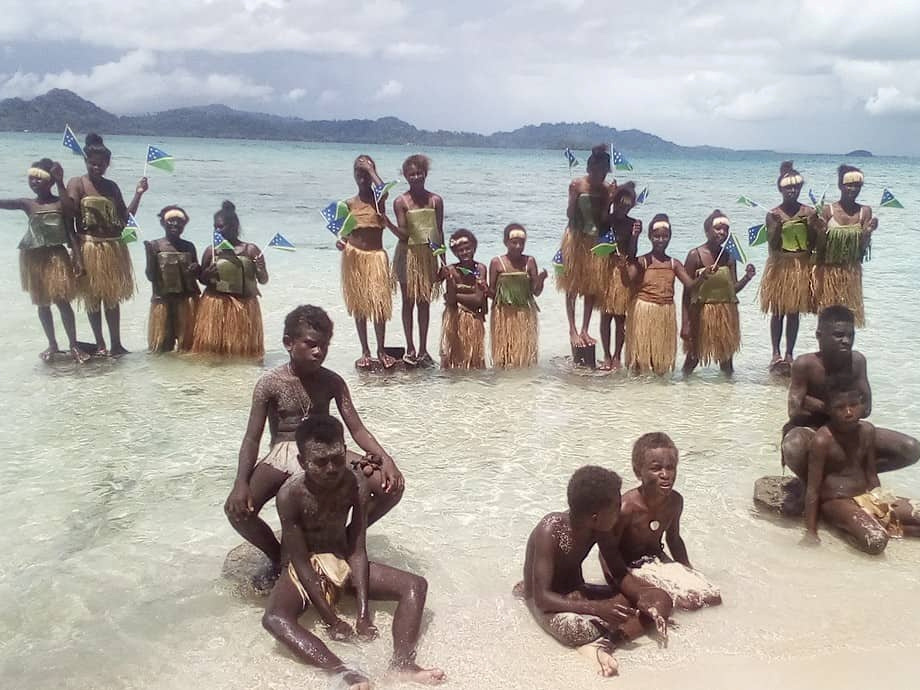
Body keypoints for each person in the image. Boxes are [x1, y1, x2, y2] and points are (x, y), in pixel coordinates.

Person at [225, 305, 404, 585]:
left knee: (390, 487)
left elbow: (356, 427)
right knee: (236, 511)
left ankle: (345, 539)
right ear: (288, 343)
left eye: (324, 346)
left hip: (329, 452)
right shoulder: (269, 384)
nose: (318, 352)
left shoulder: (333, 381)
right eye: (311, 344)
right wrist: (241, 482)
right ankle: (278, 556)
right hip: (285, 451)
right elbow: (251, 438)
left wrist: (386, 459)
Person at [262, 414, 445, 688]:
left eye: (337, 458)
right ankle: (343, 672)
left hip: (342, 558)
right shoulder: (290, 495)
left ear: (345, 451)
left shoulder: (354, 482)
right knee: (275, 619)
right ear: (302, 462)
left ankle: (403, 663)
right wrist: (331, 619)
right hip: (306, 567)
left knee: (415, 586)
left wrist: (362, 614)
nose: (332, 468)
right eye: (320, 462)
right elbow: (299, 561)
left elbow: (357, 548)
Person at [516, 465, 672, 678]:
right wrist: (597, 608)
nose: (621, 511)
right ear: (595, 517)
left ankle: (606, 644)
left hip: (577, 594)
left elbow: (619, 573)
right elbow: (542, 598)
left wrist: (641, 597)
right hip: (547, 601)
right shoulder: (550, 530)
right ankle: (605, 638)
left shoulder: (601, 529)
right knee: (577, 631)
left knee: (661, 599)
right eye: (616, 507)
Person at [781, 305, 920, 477]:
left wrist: (814, 403)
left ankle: (854, 475)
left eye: (850, 335)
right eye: (838, 335)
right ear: (819, 336)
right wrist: (834, 408)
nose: (846, 340)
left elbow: (867, 409)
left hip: (849, 429)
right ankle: (812, 484)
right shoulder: (805, 364)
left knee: (911, 449)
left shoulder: (857, 362)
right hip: (813, 428)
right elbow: (794, 412)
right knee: (794, 445)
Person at [600, 433, 722, 610]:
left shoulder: (675, 502)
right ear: (637, 471)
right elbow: (607, 551)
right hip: (629, 566)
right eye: (656, 468)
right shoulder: (627, 508)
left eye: (670, 467)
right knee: (686, 603)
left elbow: (673, 539)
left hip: (656, 558)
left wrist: (688, 569)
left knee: (712, 597)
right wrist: (620, 585)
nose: (665, 474)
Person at [803, 382, 920, 554]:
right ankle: (854, 526)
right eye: (840, 407)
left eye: (853, 405)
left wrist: (880, 502)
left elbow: (871, 473)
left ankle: (880, 525)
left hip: (866, 496)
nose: (849, 412)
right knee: (876, 541)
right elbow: (813, 489)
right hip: (837, 501)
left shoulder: (867, 430)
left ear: (862, 405)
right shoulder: (823, 441)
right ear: (828, 410)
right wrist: (811, 532)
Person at [66, 133, 148, 355]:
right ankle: (100, 344)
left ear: (107, 164)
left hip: (113, 247)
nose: (96, 168)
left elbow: (124, 220)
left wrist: (138, 194)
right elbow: (69, 220)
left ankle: (116, 344)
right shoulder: (77, 183)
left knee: (112, 298)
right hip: (89, 246)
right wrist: (76, 255)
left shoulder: (112, 187)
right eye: (92, 163)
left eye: (101, 165)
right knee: (93, 297)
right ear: (86, 161)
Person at [1, 158, 87, 362]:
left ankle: (73, 345)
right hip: (33, 257)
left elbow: (71, 228)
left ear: (49, 181)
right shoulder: (27, 203)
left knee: (62, 301)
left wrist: (78, 259)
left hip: (57, 256)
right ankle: (52, 344)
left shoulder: (60, 203)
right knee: (42, 302)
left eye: (39, 179)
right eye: (31, 179)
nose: (34, 182)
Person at [337, 155, 399, 369]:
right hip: (354, 257)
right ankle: (365, 350)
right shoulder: (347, 204)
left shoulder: (378, 200)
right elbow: (343, 234)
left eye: (365, 173)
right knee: (360, 306)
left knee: (379, 306)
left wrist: (371, 170)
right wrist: (341, 243)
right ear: (353, 175)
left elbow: (384, 189)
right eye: (358, 172)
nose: (362, 176)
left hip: (376, 257)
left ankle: (381, 349)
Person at [624, 214, 706, 376]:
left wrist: (703, 276)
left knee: (660, 361)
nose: (661, 240)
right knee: (640, 358)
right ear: (650, 237)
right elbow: (628, 279)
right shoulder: (643, 261)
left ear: (670, 238)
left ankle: (660, 398)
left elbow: (689, 285)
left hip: (665, 312)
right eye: (657, 236)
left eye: (664, 236)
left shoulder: (674, 263)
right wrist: (633, 239)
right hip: (644, 311)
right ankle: (633, 395)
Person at [681, 211, 756, 375]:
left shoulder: (729, 256)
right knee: (693, 357)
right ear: (707, 230)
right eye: (717, 228)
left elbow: (732, 289)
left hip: (725, 313)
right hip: (701, 312)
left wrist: (747, 278)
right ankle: (683, 393)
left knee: (726, 362)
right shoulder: (695, 255)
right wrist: (685, 323)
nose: (722, 232)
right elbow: (687, 292)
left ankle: (727, 396)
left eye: (725, 229)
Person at [760, 162, 819, 370]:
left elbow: (814, 243)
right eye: (788, 188)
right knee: (777, 311)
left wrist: (814, 226)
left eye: (795, 187)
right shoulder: (773, 213)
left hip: (800, 265)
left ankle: (789, 353)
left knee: (794, 312)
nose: (792, 191)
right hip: (780, 265)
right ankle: (775, 353)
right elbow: (773, 245)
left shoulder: (809, 212)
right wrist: (776, 226)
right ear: (781, 189)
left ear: (800, 188)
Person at [191, 200, 267, 358]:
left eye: (221, 226)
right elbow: (203, 280)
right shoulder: (211, 251)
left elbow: (264, 280)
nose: (217, 230)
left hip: (245, 306)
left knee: (243, 354)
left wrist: (260, 268)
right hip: (215, 305)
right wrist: (206, 274)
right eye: (215, 227)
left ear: (234, 226)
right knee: (213, 353)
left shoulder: (250, 250)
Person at [557, 145, 614, 347]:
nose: (600, 174)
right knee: (571, 285)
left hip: (595, 239)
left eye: (604, 171)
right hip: (575, 237)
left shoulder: (607, 188)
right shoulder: (577, 184)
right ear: (590, 167)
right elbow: (570, 215)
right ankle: (572, 329)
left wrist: (610, 200)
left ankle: (585, 329)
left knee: (591, 287)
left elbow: (605, 219)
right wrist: (573, 197)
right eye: (597, 170)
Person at [392, 154, 445, 366]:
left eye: (419, 173)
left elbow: (439, 231)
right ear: (405, 176)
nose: (416, 177)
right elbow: (404, 234)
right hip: (408, 254)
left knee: (424, 303)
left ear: (426, 173)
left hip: (428, 254)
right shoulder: (400, 201)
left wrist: (443, 261)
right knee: (408, 302)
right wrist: (386, 223)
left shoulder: (436, 200)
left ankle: (423, 348)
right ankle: (410, 346)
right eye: (411, 174)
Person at [814, 165, 875, 327]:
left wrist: (868, 233)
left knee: (848, 317)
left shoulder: (865, 211)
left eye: (857, 185)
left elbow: (862, 251)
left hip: (852, 271)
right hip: (829, 271)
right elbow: (819, 249)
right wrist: (820, 231)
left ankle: (843, 349)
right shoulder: (828, 211)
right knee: (827, 315)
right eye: (849, 184)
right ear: (840, 185)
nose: (853, 189)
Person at [489, 223, 547, 368]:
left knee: (524, 356)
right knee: (504, 355)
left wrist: (541, 280)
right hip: (503, 314)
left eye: (522, 243)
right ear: (505, 242)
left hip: (525, 313)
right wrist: (483, 289)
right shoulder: (497, 262)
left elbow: (536, 292)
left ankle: (524, 386)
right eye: (514, 243)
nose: (518, 246)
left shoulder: (530, 261)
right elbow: (493, 294)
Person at [144, 206, 200, 353]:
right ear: (163, 223)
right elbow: (150, 276)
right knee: (162, 347)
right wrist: (150, 256)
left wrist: (196, 268)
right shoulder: (155, 245)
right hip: (162, 300)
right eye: (171, 221)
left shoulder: (189, 246)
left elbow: (197, 276)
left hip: (186, 300)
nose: (175, 224)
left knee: (186, 347)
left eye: (179, 222)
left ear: (184, 226)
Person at [599, 183, 640, 370]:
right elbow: (598, 245)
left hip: (623, 271)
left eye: (627, 206)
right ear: (615, 203)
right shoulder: (606, 221)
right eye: (620, 204)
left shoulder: (633, 224)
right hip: (607, 270)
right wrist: (609, 196)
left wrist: (634, 236)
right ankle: (606, 354)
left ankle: (617, 355)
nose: (623, 208)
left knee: (620, 317)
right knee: (606, 315)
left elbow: (633, 253)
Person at [440, 229, 487, 369]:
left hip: (473, 319)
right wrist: (448, 281)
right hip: (454, 318)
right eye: (461, 250)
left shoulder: (480, 268)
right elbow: (450, 301)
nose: (465, 252)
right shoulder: (451, 270)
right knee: (452, 359)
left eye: (468, 249)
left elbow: (478, 299)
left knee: (474, 361)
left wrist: (455, 296)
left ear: (474, 248)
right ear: (455, 252)